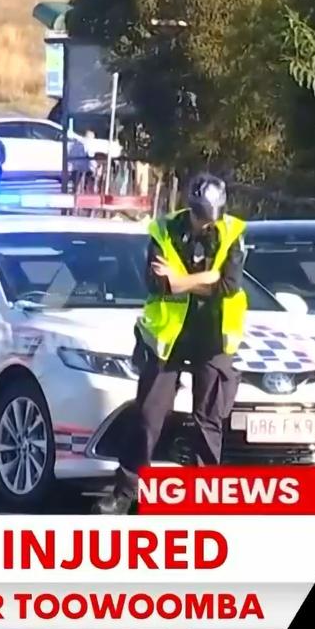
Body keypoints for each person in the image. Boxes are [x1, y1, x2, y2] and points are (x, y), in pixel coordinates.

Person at [95, 173, 247, 515]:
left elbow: (229, 285)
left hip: (214, 337)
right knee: (149, 416)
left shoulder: (232, 232)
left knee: (209, 420)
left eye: (213, 218)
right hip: (169, 340)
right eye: (202, 218)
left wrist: (184, 281)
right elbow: (158, 284)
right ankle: (126, 491)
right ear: (190, 210)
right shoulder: (163, 231)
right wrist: (204, 278)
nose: (208, 225)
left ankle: (203, 498)